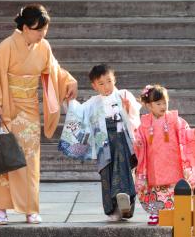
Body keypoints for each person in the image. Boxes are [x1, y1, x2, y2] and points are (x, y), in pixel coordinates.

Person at [0, 3, 78, 225]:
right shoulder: (6, 46)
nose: (42, 34)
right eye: (38, 29)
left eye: (44, 29)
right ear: (24, 27)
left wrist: (68, 81)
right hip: (7, 106)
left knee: (30, 160)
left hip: (29, 110)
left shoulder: (44, 48)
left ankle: (30, 209)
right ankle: (1, 209)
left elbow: (53, 71)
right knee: (4, 156)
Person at [59, 64, 141, 221]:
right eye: (101, 83)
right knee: (106, 172)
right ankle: (113, 209)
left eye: (109, 81)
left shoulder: (124, 94)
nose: (106, 86)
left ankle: (125, 202)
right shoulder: (93, 102)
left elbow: (135, 117)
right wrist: (69, 102)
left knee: (122, 167)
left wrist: (128, 109)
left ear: (114, 79)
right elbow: (79, 114)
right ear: (94, 86)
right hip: (103, 142)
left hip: (122, 139)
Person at [134, 84, 195, 226]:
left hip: (172, 162)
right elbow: (139, 138)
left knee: (173, 189)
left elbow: (184, 133)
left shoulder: (174, 119)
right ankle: (155, 213)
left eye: (165, 102)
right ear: (149, 105)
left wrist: (193, 133)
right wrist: (138, 143)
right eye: (158, 103)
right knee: (155, 190)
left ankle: (174, 212)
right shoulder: (145, 123)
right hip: (154, 163)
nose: (163, 106)